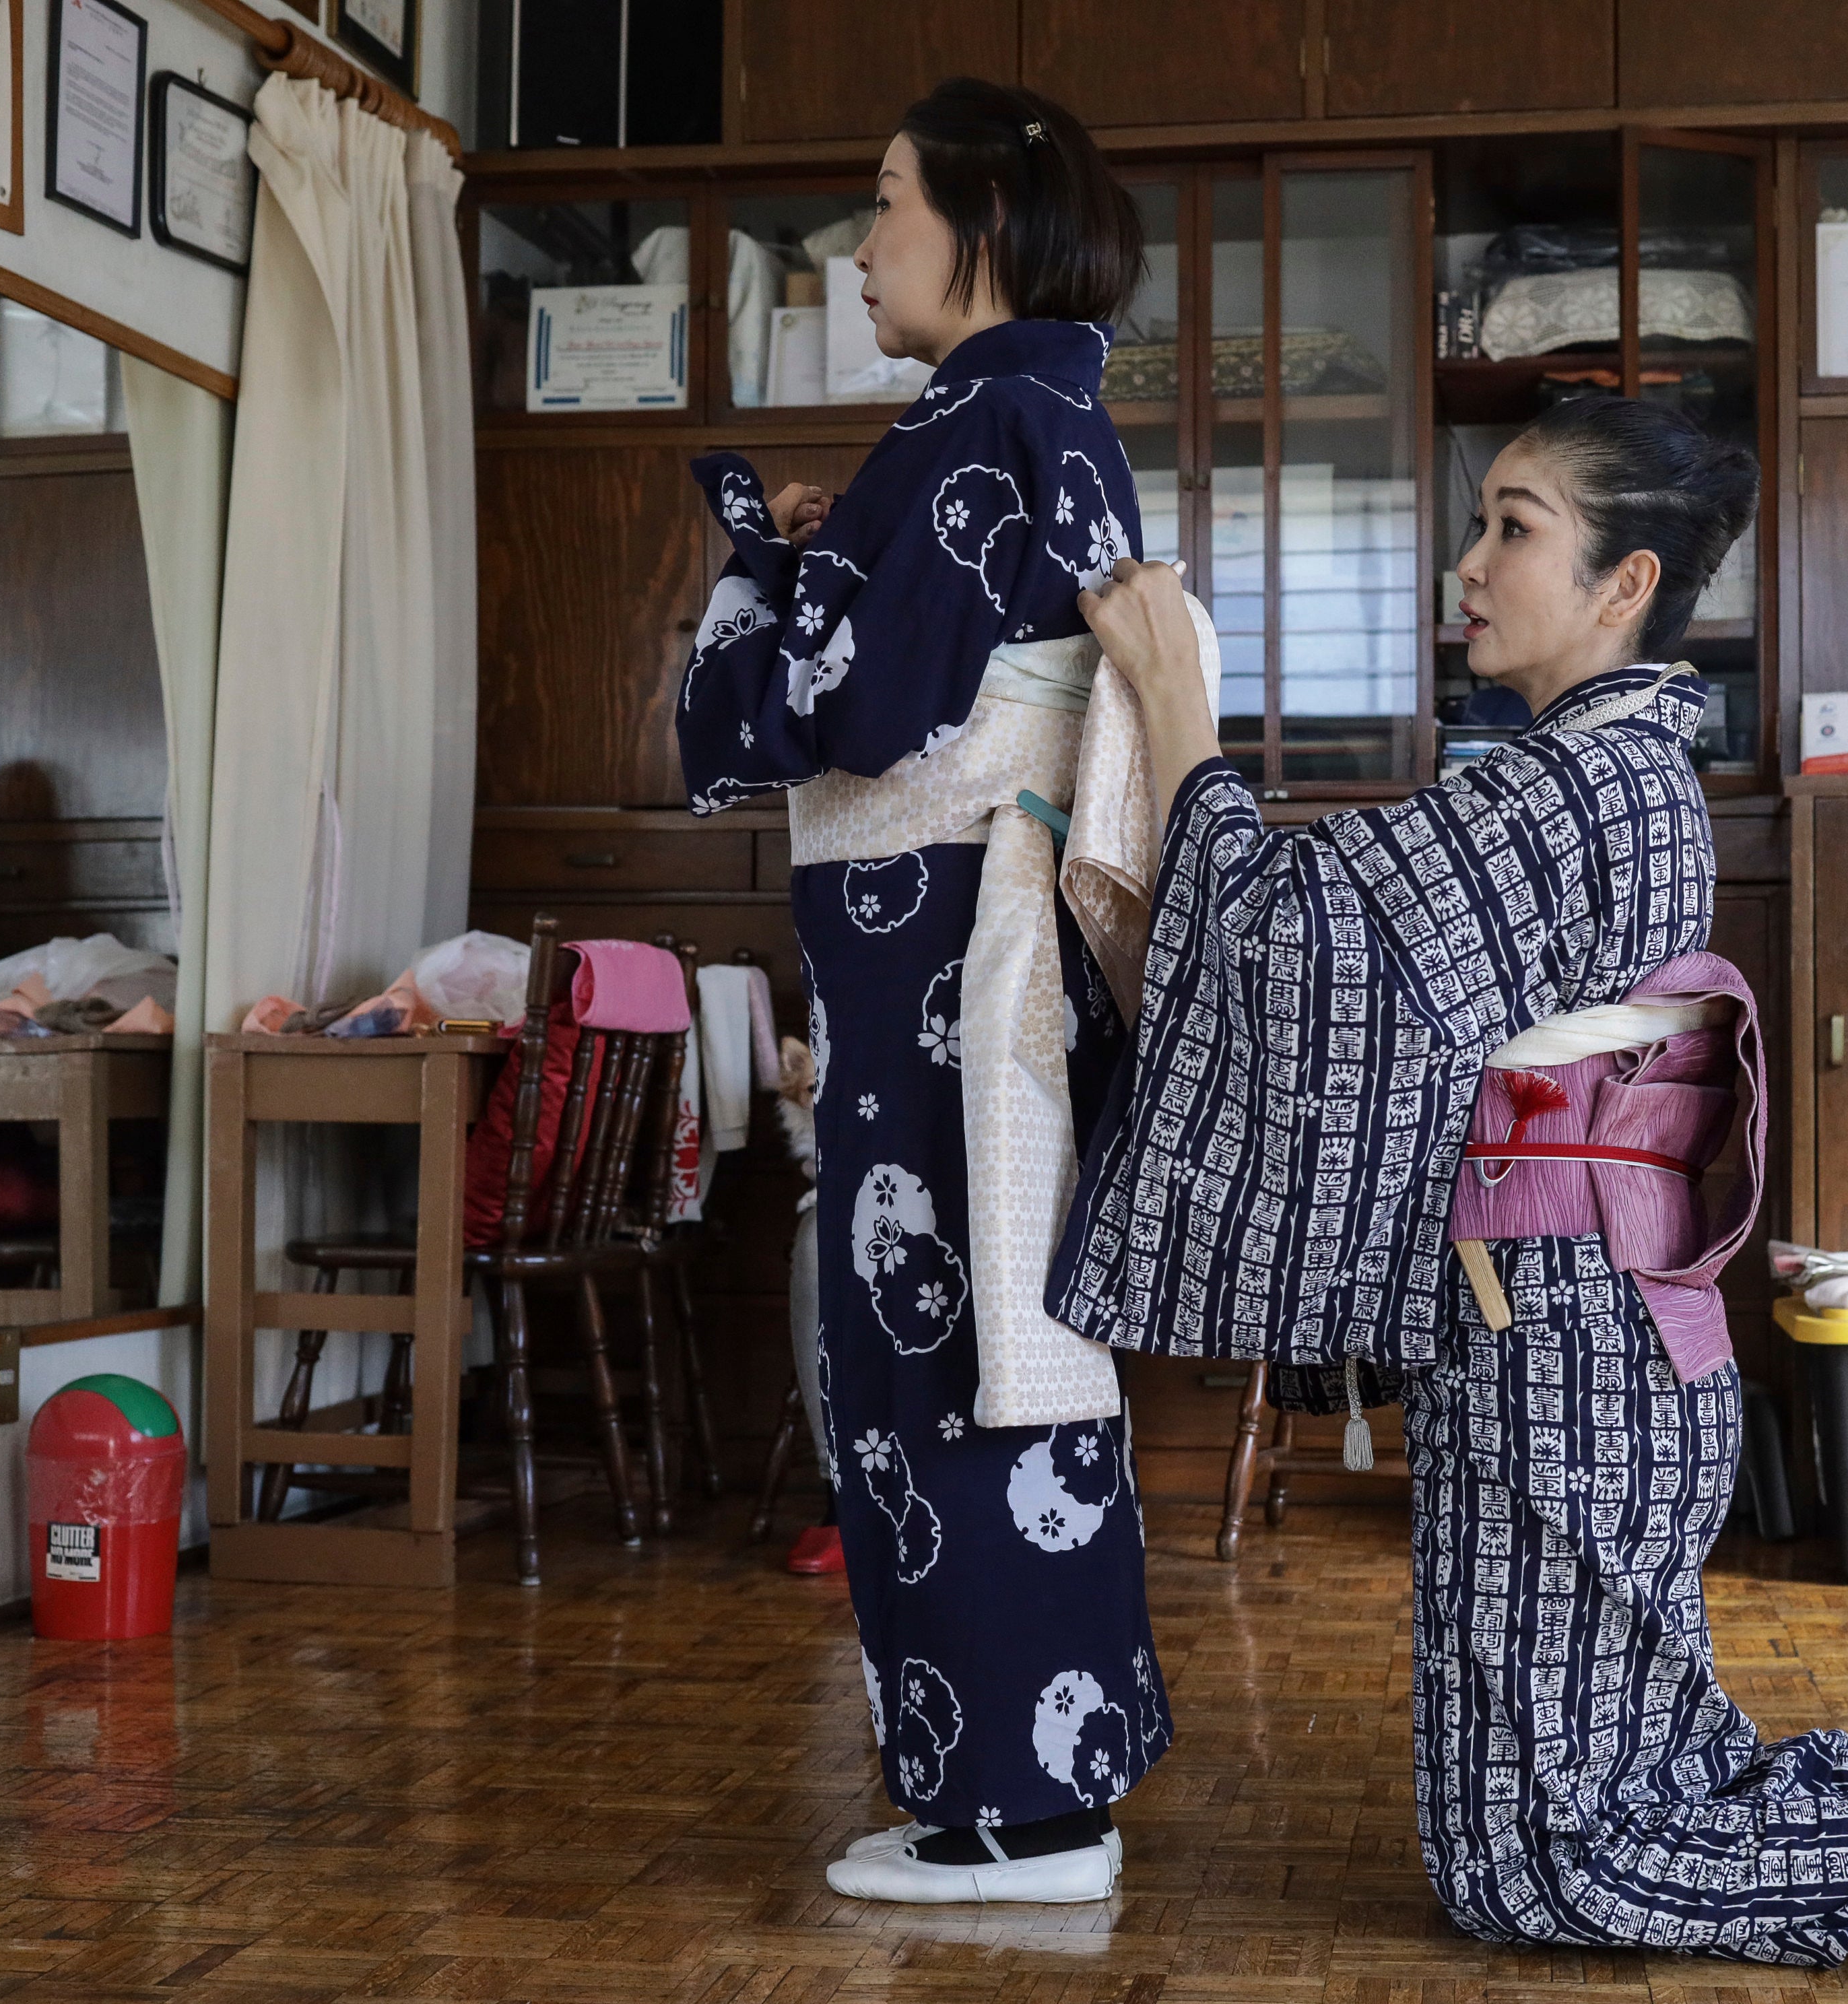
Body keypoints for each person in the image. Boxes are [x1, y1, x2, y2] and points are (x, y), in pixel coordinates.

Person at [1059, 397, 1848, 1970]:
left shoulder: (1582, 786)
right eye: (1480, 524)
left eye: (1510, 527)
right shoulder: (1591, 774)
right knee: (1579, 1811)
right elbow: (1340, 955)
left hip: (1568, 1360)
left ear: (1623, 587)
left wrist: (1173, 694)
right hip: (1577, 1340)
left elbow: (1278, 942)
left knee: (1555, 1856)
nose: (1467, 564)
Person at [675, 77, 1168, 1904]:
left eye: (882, 200)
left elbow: (840, 708)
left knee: (945, 1364)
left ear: (981, 224)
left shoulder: (974, 437)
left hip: (954, 965)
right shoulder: (1034, 421)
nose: (857, 242)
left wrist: (762, 583)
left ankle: (1014, 1814)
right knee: (1009, 1356)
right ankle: (1047, 1788)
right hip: (986, 960)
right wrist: (834, 555)